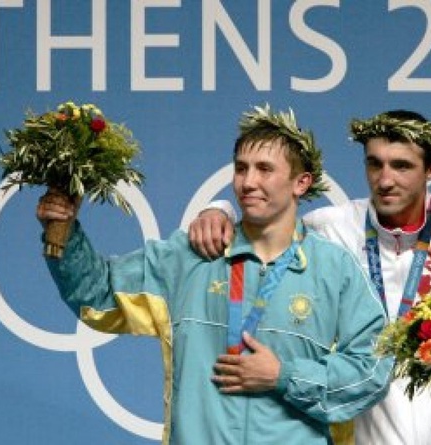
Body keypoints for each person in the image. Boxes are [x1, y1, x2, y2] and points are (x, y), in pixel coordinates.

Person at [36, 105, 392, 445]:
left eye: (265, 169)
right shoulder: (190, 256)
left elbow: (373, 370)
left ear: (301, 183)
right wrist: (63, 228)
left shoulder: (335, 270)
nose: (248, 182)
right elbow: (98, 294)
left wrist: (283, 375)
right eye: (241, 168)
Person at [189, 110, 431, 444]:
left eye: (401, 166)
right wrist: (218, 210)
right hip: (363, 423)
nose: (384, 180)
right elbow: (266, 226)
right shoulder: (330, 225)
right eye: (374, 164)